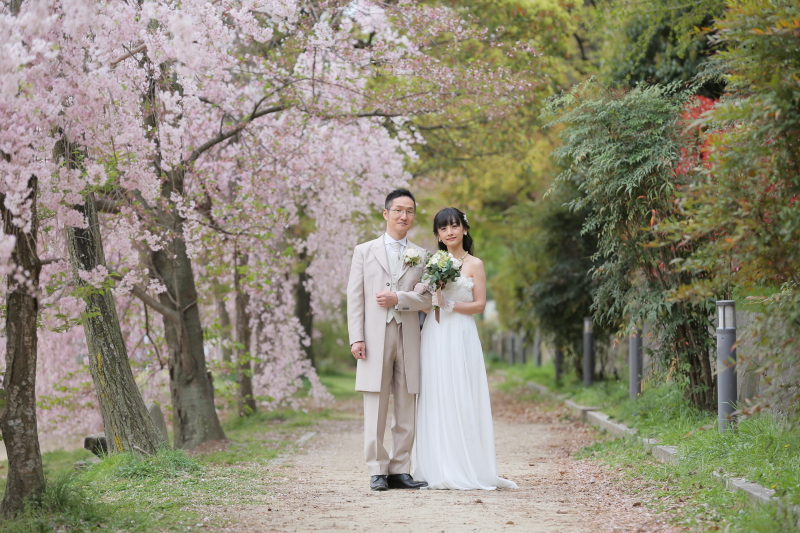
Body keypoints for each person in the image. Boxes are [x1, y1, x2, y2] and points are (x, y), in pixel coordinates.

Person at [413, 207, 517, 490]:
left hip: (461, 332)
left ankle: (467, 465)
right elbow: (428, 304)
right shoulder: (433, 263)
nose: (449, 232)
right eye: (443, 228)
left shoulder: (475, 264)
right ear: (437, 235)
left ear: (464, 228)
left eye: (454, 226)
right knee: (436, 391)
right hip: (434, 332)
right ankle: (438, 465)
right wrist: (428, 295)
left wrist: (449, 304)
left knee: (461, 390)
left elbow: (479, 305)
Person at [346, 188, 432, 491]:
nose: (404, 216)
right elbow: (355, 297)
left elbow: (428, 299)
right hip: (373, 337)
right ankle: (377, 470)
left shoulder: (423, 256)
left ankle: (400, 470)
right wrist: (356, 338)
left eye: (409, 211)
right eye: (398, 210)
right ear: (386, 213)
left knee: (407, 403)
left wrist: (400, 298)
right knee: (375, 403)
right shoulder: (364, 251)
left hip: (409, 336)